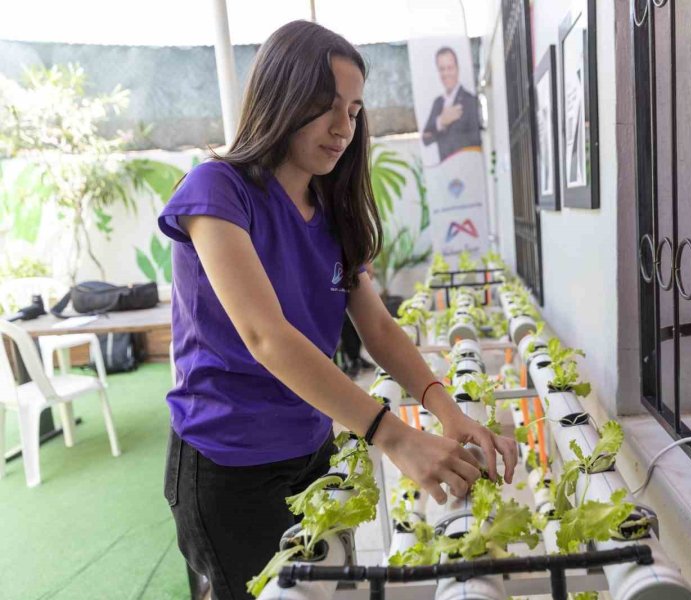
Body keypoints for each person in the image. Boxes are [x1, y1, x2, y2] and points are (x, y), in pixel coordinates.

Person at [158, 21, 517, 600]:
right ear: (281, 98)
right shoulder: (216, 190)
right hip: (227, 465)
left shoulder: (330, 210)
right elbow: (265, 335)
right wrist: (397, 439)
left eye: (353, 111)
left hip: (310, 448)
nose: (343, 128)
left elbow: (375, 326)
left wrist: (447, 409)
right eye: (326, 107)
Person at [421, 46, 482, 162]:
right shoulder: (438, 103)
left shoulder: (470, 101)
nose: (446, 73)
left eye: (450, 68)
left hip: (467, 167)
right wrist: (441, 122)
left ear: (457, 69)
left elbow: (477, 138)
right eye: (442, 69)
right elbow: (426, 139)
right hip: (445, 171)